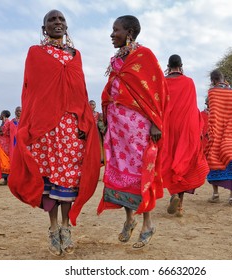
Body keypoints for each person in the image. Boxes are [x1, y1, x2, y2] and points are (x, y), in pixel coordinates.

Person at [8, 10, 100, 256]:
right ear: (44, 27)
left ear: (67, 26)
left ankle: (66, 228)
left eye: (61, 20)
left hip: (71, 129)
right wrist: (31, 123)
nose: (57, 23)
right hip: (45, 129)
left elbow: (81, 92)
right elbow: (31, 92)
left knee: (69, 180)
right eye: (52, 20)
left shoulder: (76, 55)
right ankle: (52, 228)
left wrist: (84, 123)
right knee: (49, 180)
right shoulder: (35, 53)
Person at [97, 15, 168, 249]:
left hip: (138, 126)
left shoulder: (144, 56)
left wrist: (156, 123)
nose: (111, 34)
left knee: (140, 172)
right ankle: (129, 219)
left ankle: (148, 224)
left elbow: (158, 90)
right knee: (120, 170)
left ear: (128, 32)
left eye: (115, 29)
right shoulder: (116, 59)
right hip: (117, 128)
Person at [162, 54, 209, 217]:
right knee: (184, 161)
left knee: (167, 159)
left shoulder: (162, 81)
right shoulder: (189, 82)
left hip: (167, 125)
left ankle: (173, 194)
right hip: (185, 127)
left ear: (168, 66)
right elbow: (192, 108)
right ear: (181, 66)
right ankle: (180, 205)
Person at [205, 69, 232, 206]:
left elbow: (213, 117)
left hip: (219, 134)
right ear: (223, 79)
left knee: (214, 160)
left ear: (213, 81)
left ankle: (215, 194)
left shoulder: (212, 93)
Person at [0, 110, 11, 185]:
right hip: (1, 144)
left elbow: (1, 132)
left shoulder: (7, 122)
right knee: (2, 162)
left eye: (1, 114)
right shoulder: (4, 122)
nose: (0, 115)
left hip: (5, 144)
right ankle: (5, 179)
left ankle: (7, 179)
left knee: (6, 161)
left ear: (4, 115)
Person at [89, 100, 105, 164]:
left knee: (99, 144)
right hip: (90, 131)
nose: (92, 106)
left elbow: (101, 122)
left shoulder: (98, 114)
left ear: (95, 106)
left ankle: (101, 158)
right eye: (90, 104)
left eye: (93, 104)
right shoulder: (87, 113)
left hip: (97, 131)